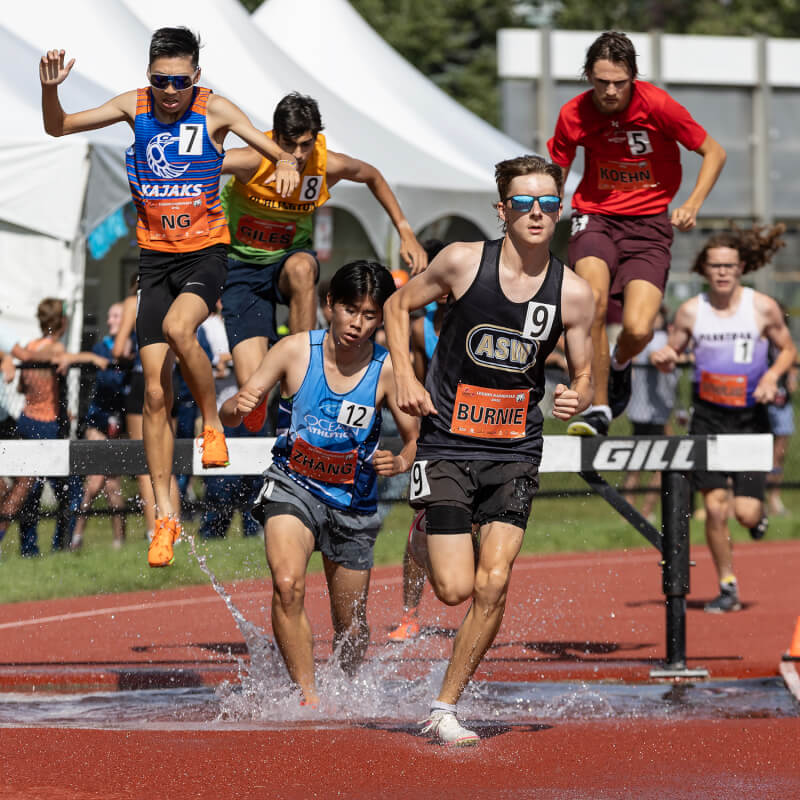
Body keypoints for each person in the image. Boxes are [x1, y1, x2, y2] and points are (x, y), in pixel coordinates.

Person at [40, 28, 301, 568]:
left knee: (182, 329)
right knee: (155, 395)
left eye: (180, 82)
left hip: (205, 255)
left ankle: (211, 423)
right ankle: (165, 519)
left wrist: (286, 162)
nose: (170, 92)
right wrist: (50, 90)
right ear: (149, 76)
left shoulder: (215, 110)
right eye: (161, 81)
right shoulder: (133, 107)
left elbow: (274, 151)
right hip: (155, 262)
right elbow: (57, 126)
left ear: (196, 77)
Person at [383, 155, 594, 745]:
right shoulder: (461, 261)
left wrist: (577, 395)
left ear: (560, 210)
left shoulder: (574, 293)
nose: (536, 213)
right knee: (454, 589)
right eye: (523, 203)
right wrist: (405, 375)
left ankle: (444, 707)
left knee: (493, 581)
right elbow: (397, 307)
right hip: (447, 442)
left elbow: (585, 376)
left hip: (516, 448)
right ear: (503, 210)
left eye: (547, 203)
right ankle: (427, 530)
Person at [220, 260, 418, 706]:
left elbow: (414, 437)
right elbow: (230, 414)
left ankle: (342, 692)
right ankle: (307, 698)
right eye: (350, 310)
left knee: (351, 627)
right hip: (292, 486)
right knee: (288, 583)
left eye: (370, 315)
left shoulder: (388, 368)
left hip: (352, 504)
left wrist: (402, 460)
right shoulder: (294, 351)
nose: (358, 323)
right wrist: (238, 406)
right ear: (330, 304)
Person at [548, 31, 726, 436]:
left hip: (648, 225)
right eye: (601, 82)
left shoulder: (658, 106)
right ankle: (598, 407)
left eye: (620, 82)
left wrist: (692, 204)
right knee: (592, 302)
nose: (610, 91)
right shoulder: (573, 113)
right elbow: (557, 168)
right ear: (588, 76)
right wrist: (549, 208)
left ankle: (619, 363)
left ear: (633, 77)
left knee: (639, 328)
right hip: (596, 215)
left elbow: (714, 152)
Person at [219, 92, 428, 432]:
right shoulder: (251, 160)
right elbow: (194, 168)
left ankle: (305, 369)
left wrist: (405, 231)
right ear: (274, 137)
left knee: (302, 267)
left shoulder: (326, 164)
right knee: (252, 388)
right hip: (242, 267)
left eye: (306, 144)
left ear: (316, 138)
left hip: (289, 262)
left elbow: (372, 175)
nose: (298, 155)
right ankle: (268, 413)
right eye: (289, 145)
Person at [652, 225, 796, 613]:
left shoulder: (761, 307)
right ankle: (727, 585)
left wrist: (770, 376)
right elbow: (672, 350)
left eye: (729, 266)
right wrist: (665, 357)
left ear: (741, 268)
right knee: (715, 508)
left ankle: (757, 517)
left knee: (745, 513)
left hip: (750, 419)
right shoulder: (691, 310)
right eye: (715, 266)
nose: (722, 273)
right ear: (705, 269)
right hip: (708, 419)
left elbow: (787, 349)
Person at [387, 240, 447, 641]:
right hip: (436, 433)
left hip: (479, 433)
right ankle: (410, 614)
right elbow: (419, 380)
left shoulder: (479, 316)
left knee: (475, 526)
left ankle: (481, 602)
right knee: (421, 525)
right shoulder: (419, 327)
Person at [53, 302, 131, 550]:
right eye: (109, 316)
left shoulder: (136, 347)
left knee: (113, 486)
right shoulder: (102, 347)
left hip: (120, 423)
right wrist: (95, 359)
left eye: (115, 316)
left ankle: (119, 542)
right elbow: (88, 359)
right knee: (94, 482)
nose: (110, 321)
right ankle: (76, 538)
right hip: (98, 421)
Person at [11, 299, 81, 555]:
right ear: (62, 322)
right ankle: (61, 545)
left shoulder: (30, 346)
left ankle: (29, 549)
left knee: (30, 490)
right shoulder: (56, 349)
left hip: (26, 419)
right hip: (48, 425)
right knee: (71, 489)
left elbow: (22, 387)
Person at [621, 305, 679, 520]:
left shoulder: (659, 339)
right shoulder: (653, 339)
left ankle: (638, 511)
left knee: (647, 465)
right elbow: (655, 356)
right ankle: (635, 511)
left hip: (656, 412)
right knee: (650, 465)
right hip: (648, 413)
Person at [765, 306, 797, 516]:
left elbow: (794, 364)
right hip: (762, 404)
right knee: (759, 454)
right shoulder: (761, 342)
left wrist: (792, 376)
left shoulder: (789, 345)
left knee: (779, 454)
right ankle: (757, 498)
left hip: (782, 404)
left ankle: (774, 498)